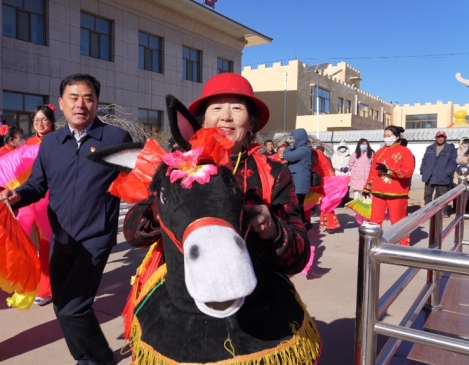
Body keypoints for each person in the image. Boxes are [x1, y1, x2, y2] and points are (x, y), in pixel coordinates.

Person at [121, 72, 316, 362]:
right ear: (201, 120)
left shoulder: (274, 173)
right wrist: (165, 207)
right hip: (181, 305)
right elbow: (133, 232)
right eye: (216, 108)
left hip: (254, 304)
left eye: (237, 108)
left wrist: (271, 229)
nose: (226, 117)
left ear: (250, 124)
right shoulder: (176, 167)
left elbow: (298, 254)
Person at [0, 74, 132, 365]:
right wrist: (17, 195)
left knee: (74, 307)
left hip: (95, 238)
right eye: (74, 97)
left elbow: (140, 179)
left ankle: (96, 360)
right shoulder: (51, 143)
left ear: (97, 102)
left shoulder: (115, 139)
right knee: (62, 305)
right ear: (61, 103)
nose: (80, 104)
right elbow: (37, 185)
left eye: (88, 97)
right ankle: (88, 357)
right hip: (61, 239)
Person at [21, 104, 56, 306]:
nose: (39, 123)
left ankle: (46, 288)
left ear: (51, 121)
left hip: (52, 198)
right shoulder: (28, 143)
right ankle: (31, 282)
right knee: (24, 242)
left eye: (44, 119)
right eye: (36, 120)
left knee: (46, 245)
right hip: (31, 198)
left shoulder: (57, 141)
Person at [363, 126, 415, 246]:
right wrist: (367, 188)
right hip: (378, 191)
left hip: (396, 192)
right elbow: (373, 172)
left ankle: (403, 246)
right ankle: (374, 244)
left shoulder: (405, 151)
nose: (386, 138)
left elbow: (408, 171)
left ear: (397, 137)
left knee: (398, 222)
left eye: (389, 136)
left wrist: (389, 170)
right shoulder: (380, 152)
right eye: (385, 136)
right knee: (374, 221)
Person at [420, 131, 457, 217]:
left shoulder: (450, 149)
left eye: (442, 137)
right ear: (435, 138)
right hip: (429, 175)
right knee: (427, 195)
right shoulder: (429, 148)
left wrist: (446, 173)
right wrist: (423, 170)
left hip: (442, 176)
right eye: (438, 137)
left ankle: (443, 212)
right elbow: (424, 160)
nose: (440, 139)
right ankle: (428, 212)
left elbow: (452, 163)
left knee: (442, 196)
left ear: (445, 138)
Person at [283, 128, 313, 228]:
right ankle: (303, 224)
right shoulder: (303, 148)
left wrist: (287, 148)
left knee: (297, 205)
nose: (293, 140)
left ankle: (303, 224)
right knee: (298, 205)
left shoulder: (303, 150)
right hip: (299, 182)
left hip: (299, 182)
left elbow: (288, 156)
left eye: (295, 138)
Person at [312, 146, 340, 233]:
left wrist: (332, 183)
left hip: (327, 182)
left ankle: (330, 225)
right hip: (319, 182)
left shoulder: (317, 154)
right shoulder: (311, 155)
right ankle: (327, 224)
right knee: (324, 204)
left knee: (327, 204)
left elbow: (327, 168)